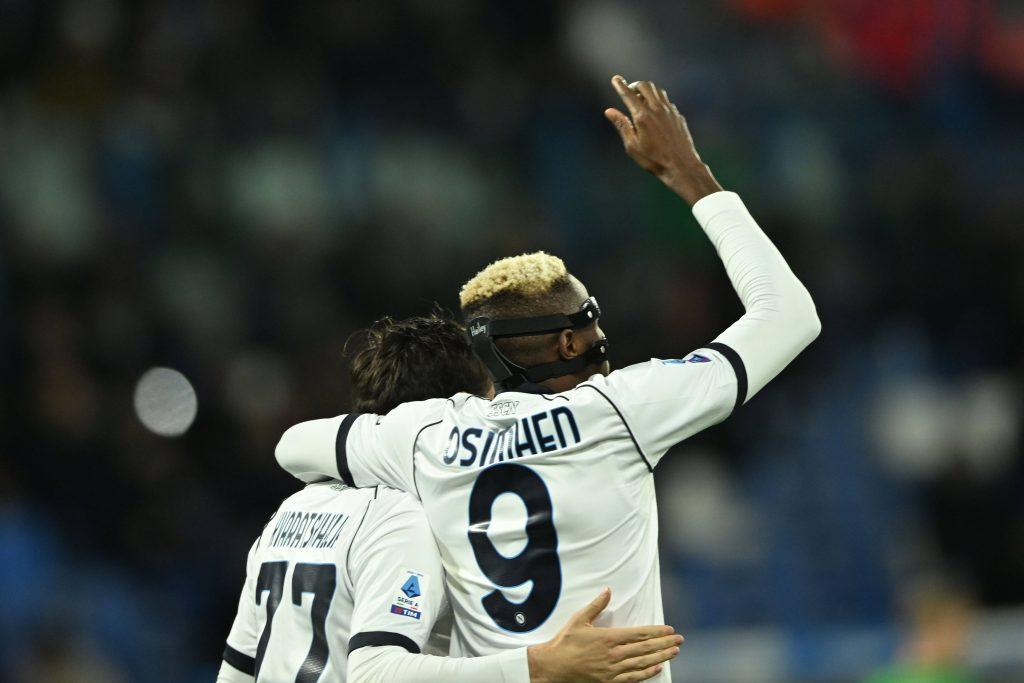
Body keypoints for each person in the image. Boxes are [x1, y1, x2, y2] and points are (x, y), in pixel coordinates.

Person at [275, 76, 821, 681]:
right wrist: (689, 173)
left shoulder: (425, 435)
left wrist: (417, 468)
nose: (600, 336)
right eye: (590, 321)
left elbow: (293, 446)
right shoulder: (621, 409)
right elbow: (790, 316)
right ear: (567, 342)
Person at [217, 314, 682, 683]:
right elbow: (375, 672)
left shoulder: (289, 514)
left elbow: (237, 669)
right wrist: (539, 665)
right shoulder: (401, 517)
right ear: (447, 411)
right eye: (483, 401)